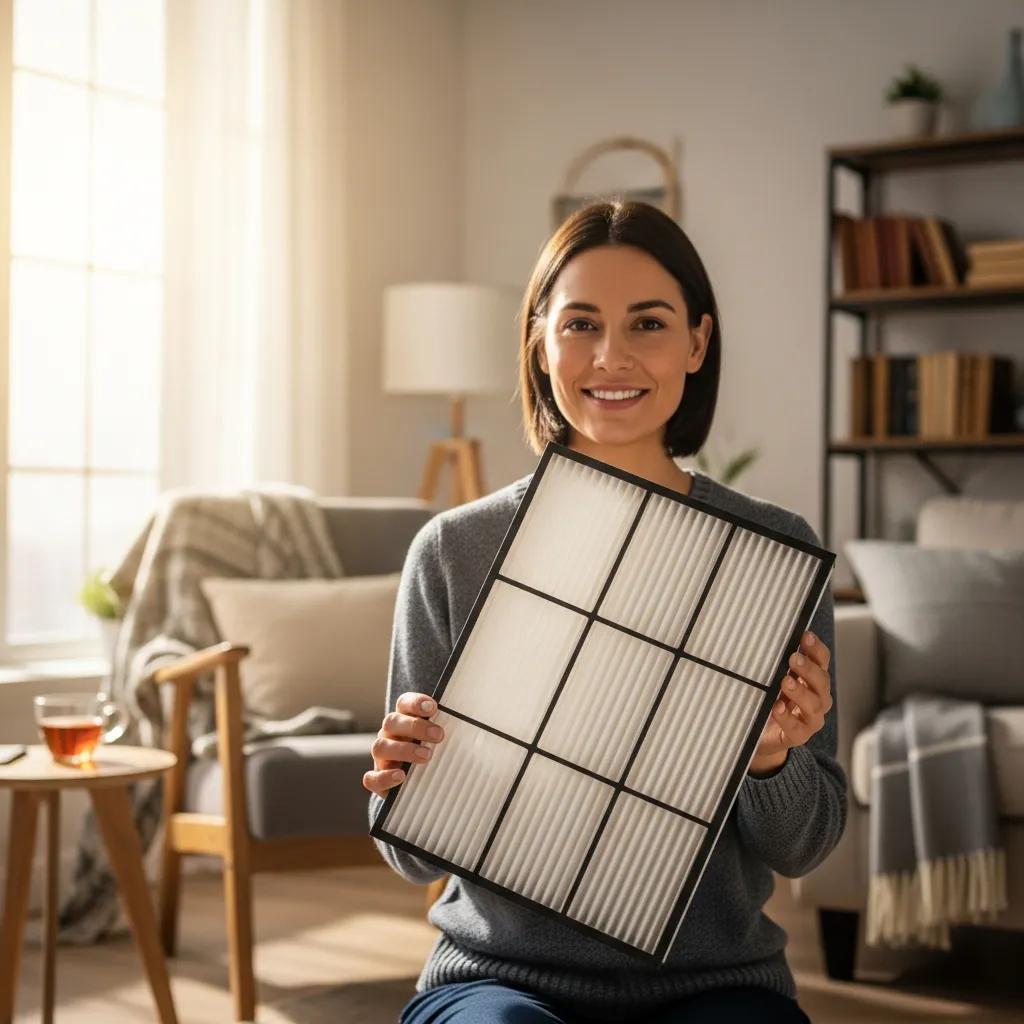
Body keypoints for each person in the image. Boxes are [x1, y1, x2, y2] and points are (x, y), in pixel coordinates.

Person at [363, 199, 845, 1023]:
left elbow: (806, 843)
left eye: (647, 325)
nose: (610, 356)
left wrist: (769, 759)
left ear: (697, 341)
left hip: (717, 985)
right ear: (540, 343)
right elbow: (408, 854)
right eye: (580, 324)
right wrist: (400, 786)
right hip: (495, 978)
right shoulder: (454, 550)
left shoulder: (772, 555)